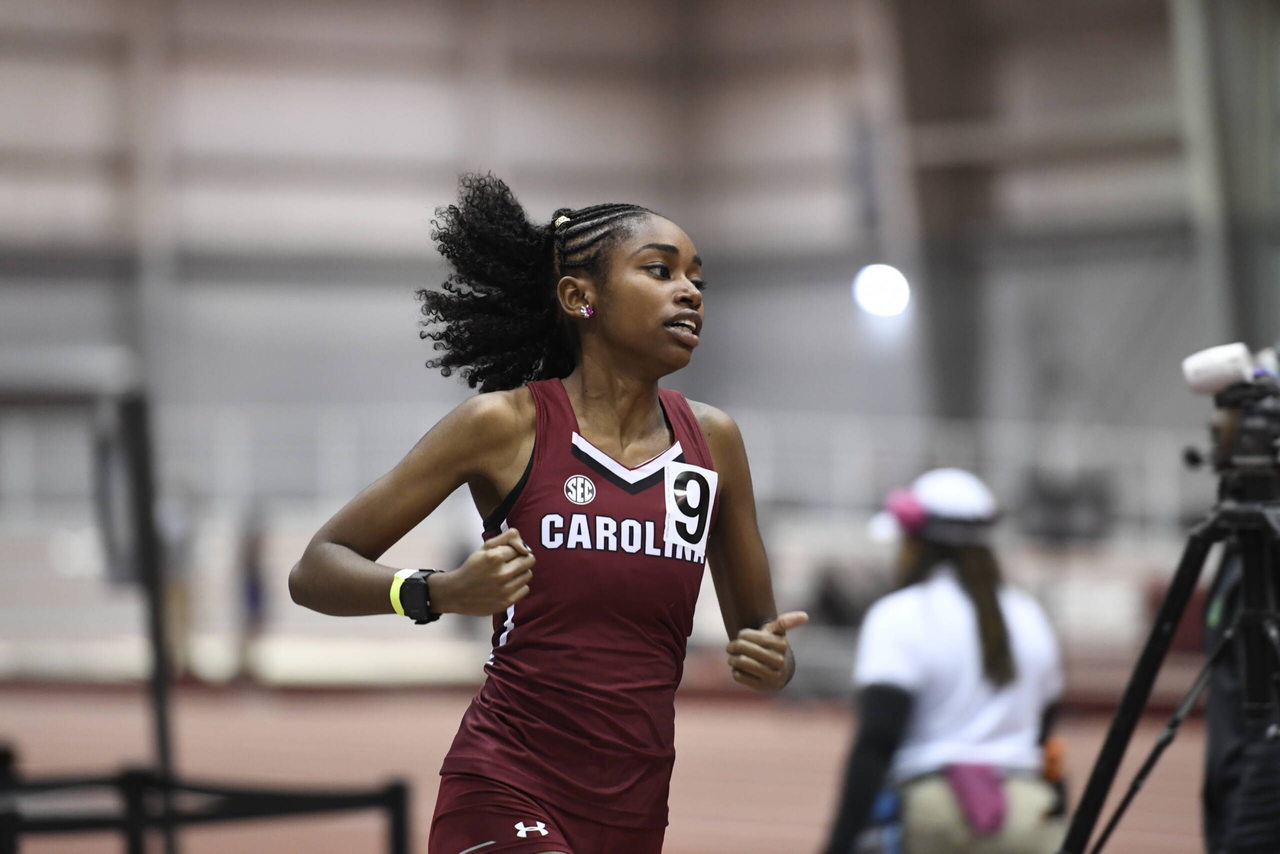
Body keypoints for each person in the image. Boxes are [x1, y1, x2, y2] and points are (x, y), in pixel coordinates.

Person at [288, 174, 806, 854]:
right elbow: (315, 569)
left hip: (635, 808)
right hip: (505, 781)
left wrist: (773, 662)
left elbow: (761, 639)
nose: (690, 292)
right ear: (578, 296)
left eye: (698, 280)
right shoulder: (504, 426)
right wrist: (437, 591)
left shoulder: (714, 445)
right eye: (660, 270)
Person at [820, 468, 1065, 854]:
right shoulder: (1029, 616)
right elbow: (1045, 733)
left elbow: (876, 743)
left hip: (935, 814)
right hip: (1026, 814)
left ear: (916, 543)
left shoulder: (899, 615)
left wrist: (838, 844)